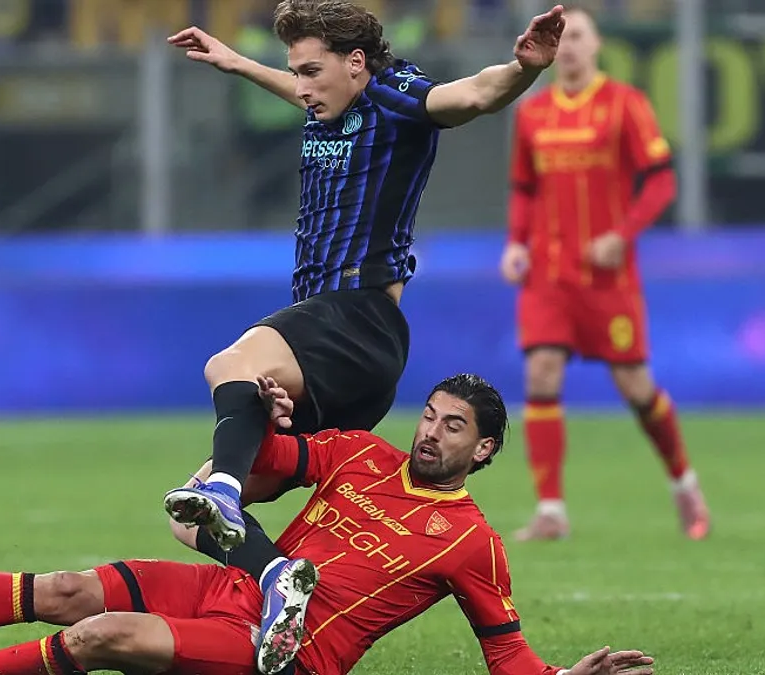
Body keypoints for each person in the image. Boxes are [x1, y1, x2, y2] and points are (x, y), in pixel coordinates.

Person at [159, 0, 564, 667]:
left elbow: (471, 96)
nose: (301, 87)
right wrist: (237, 64)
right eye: (296, 71)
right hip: (346, 357)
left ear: (355, 63)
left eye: (310, 71)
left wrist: (523, 70)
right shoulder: (327, 101)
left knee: (227, 366)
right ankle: (278, 578)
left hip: (358, 316)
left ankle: (226, 489)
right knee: (187, 516)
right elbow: (304, 86)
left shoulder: (395, 97)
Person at [0, 374, 654, 675]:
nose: (430, 432)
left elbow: (506, 654)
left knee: (100, 634)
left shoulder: (474, 543)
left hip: (285, 651)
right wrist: (264, 412)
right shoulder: (359, 453)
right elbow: (260, 458)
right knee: (68, 589)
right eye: (429, 415)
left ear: (485, 449)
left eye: (452, 426)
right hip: (230, 585)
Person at [500, 5, 709, 542]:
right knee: (541, 375)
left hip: (606, 277)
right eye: (563, 38)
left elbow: (660, 181)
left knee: (636, 387)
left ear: (597, 45)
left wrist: (622, 234)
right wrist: (516, 245)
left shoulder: (624, 104)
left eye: (579, 36)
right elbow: (524, 188)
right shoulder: (533, 113)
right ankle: (551, 510)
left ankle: (684, 483)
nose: (569, 46)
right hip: (548, 274)